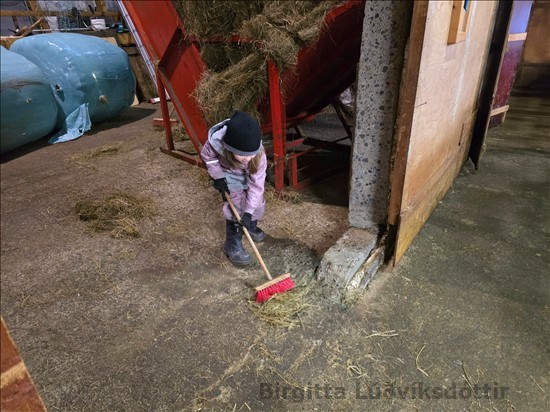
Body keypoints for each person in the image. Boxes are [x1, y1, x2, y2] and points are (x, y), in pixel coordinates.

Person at [200, 111, 267, 266]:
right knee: (236, 207)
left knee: (256, 202)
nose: (247, 158)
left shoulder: (258, 155)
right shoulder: (216, 143)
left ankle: (250, 226)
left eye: (251, 155)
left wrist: (249, 213)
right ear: (229, 148)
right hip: (228, 174)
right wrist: (218, 178)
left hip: (249, 174)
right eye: (242, 155)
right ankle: (232, 245)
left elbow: (257, 185)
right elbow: (208, 158)